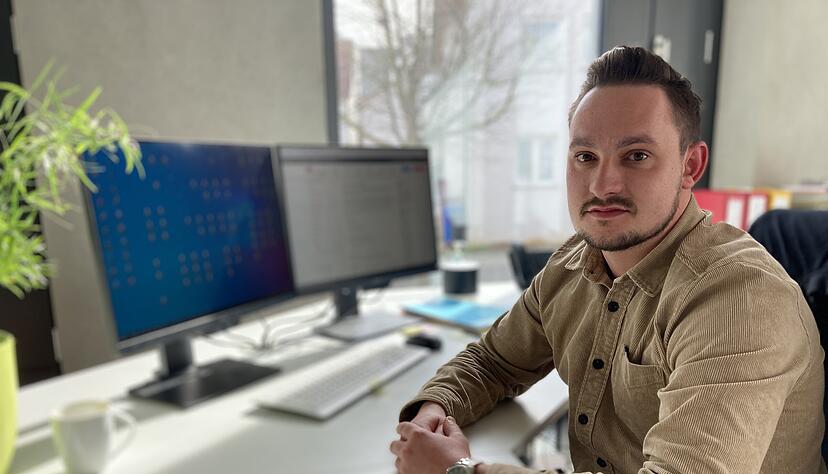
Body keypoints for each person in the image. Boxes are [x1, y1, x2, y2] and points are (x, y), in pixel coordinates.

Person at [389, 46, 826, 474]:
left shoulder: (739, 299)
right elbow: (494, 362)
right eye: (585, 157)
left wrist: (461, 471)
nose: (602, 184)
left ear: (690, 165)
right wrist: (436, 407)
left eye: (636, 156)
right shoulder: (573, 265)